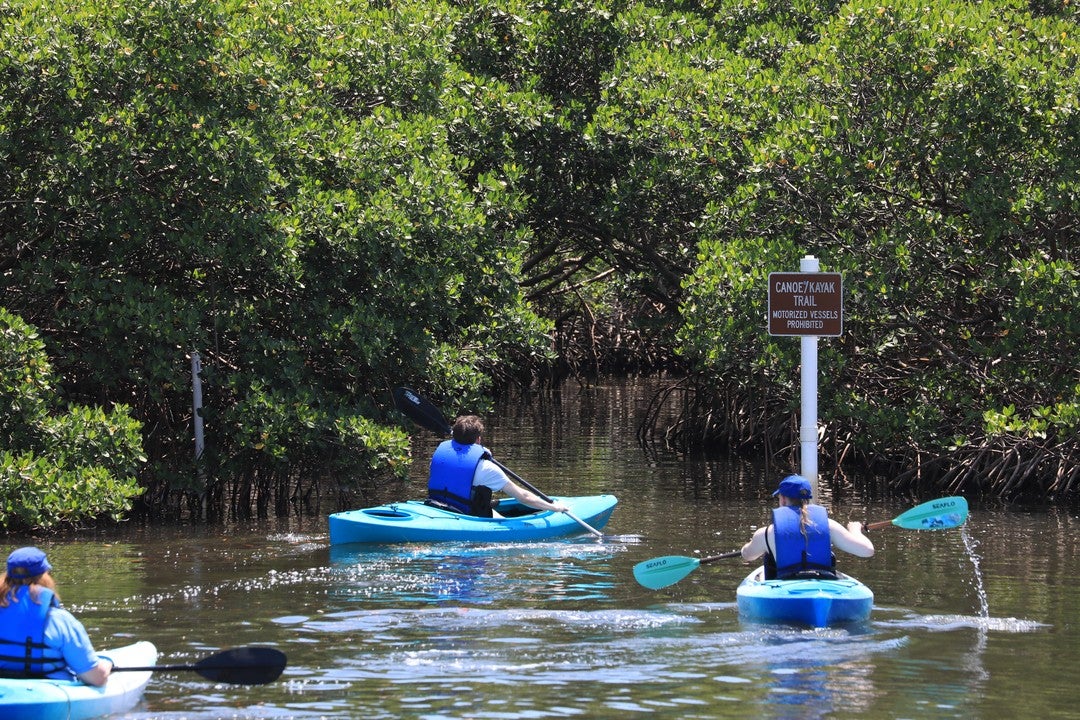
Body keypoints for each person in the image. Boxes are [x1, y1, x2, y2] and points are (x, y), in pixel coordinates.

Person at [0, 546, 113, 686]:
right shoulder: (58, 619)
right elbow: (97, 678)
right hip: (46, 696)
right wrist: (107, 664)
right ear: (44, 577)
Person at [428, 415, 570, 517]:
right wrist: (554, 507)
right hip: (465, 515)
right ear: (478, 439)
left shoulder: (439, 456)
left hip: (436, 508)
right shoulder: (486, 468)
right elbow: (523, 497)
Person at [741, 475, 874, 579]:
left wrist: (763, 546)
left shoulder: (766, 533)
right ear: (808, 499)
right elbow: (868, 551)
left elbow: (747, 555)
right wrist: (855, 530)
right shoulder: (829, 526)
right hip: (822, 586)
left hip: (785, 590)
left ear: (782, 499)